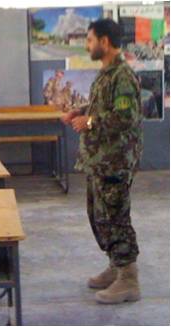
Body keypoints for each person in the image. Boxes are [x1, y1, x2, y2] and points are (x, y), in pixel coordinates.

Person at [61, 18, 143, 304]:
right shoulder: (107, 73)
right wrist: (80, 112)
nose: (88, 45)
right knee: (100, 217)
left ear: (105, 42)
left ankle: (129, 280)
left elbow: (125, 118)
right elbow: (101, 107)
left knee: (116, 218)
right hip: (99, 161)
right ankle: (116, 266)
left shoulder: (122, 76)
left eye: (91, 40)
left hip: (115, 162)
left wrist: (90, 121)